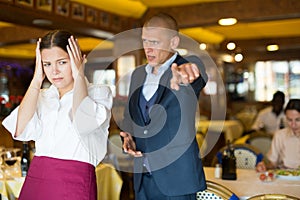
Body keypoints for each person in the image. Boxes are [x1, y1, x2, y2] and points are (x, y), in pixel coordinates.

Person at [2, 30, 112, 200]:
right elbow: (19, 128)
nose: (54, 71)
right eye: (47, 64)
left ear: (79, 60)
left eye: (62, 62)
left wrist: (79, 75)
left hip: (75, 182)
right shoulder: (42, 96)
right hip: (36, 179)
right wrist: (37, 79)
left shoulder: (98, 93)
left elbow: (83, 122)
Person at [119, 13, 208, 199]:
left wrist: (186, 76)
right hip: (142, 178)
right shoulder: (137, 75)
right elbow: (131, 118)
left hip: (177, 180)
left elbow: (196, 76)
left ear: (173, 42)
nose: (148, 49)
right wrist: (127, 137)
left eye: (155, 42)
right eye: (144, 41)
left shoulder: (186, 67)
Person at [256, 99, 300, 172]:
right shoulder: (280, 135)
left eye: (298, 120)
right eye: (289, 120)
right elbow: (273, 164)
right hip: (284, 178)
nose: (293, 124)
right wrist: (264, 166)